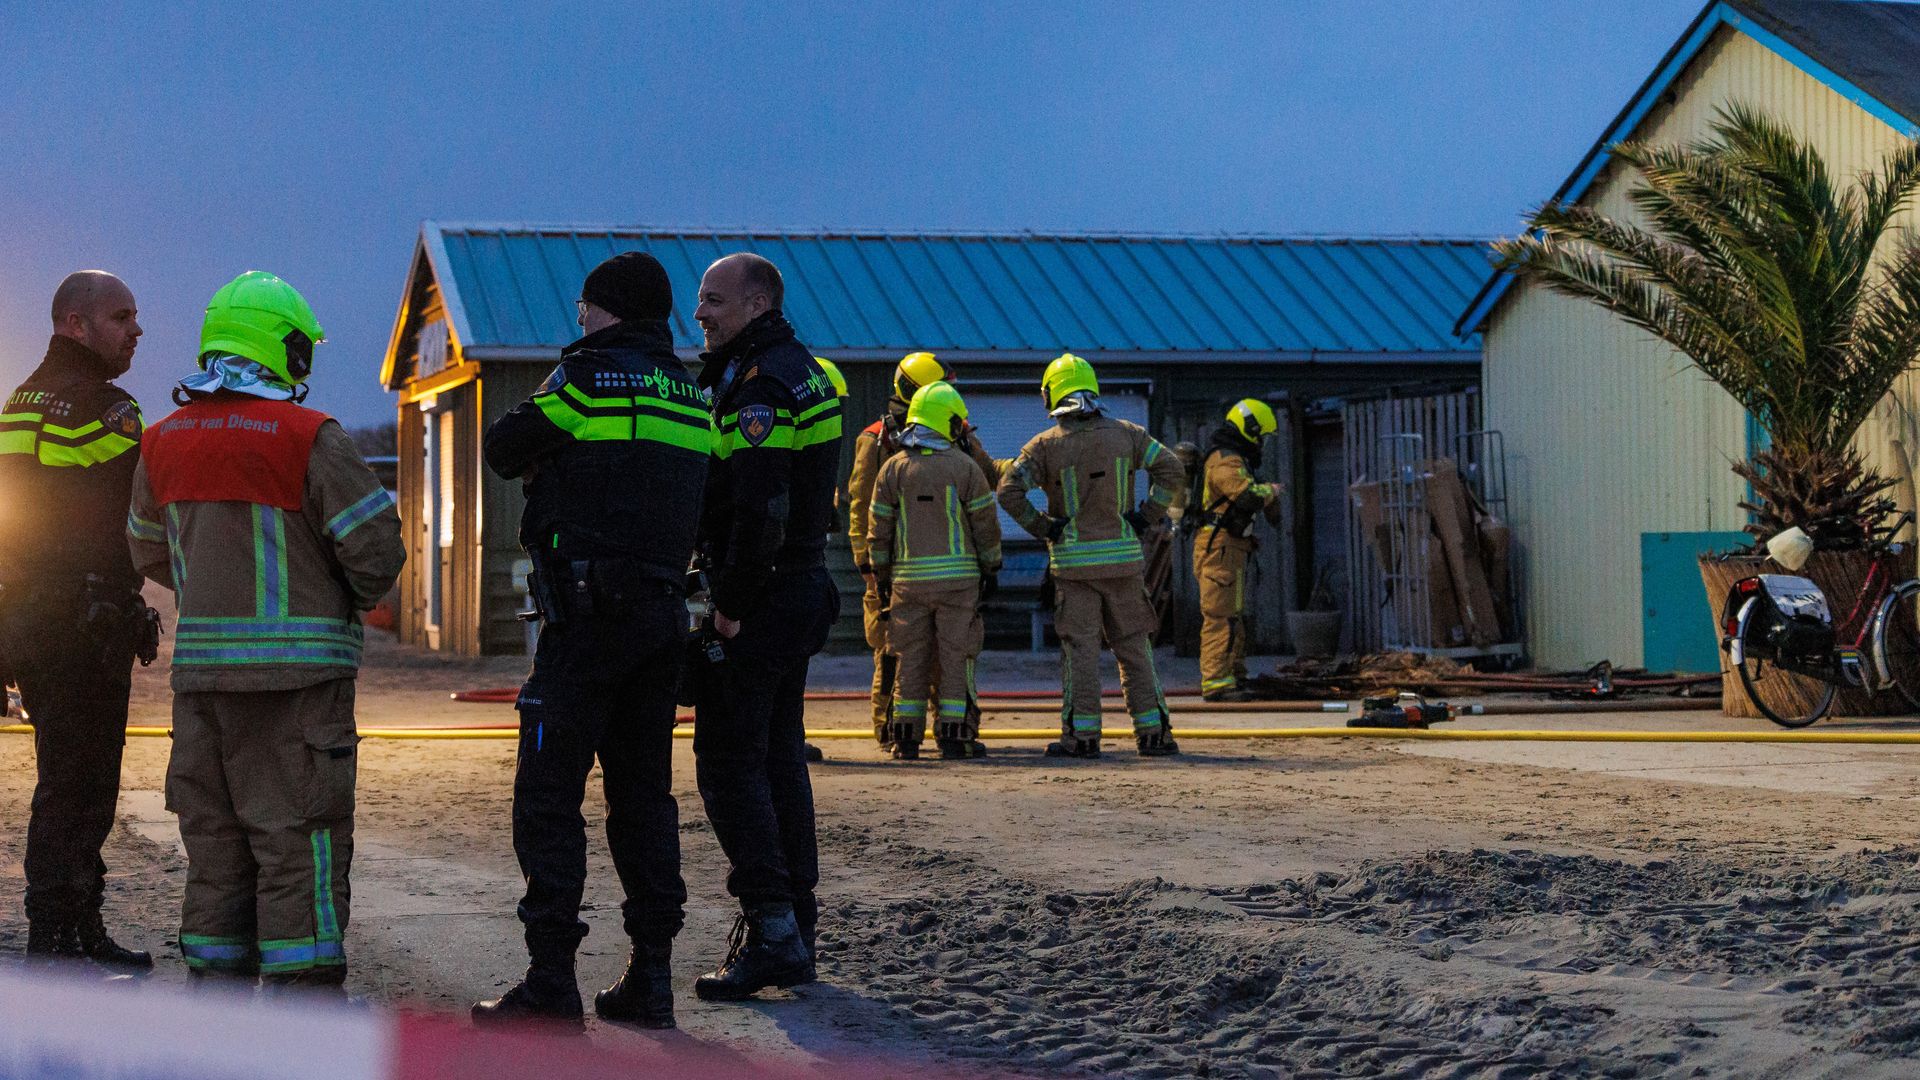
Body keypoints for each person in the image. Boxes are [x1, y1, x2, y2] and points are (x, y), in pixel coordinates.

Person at [127, 271, 404, 991]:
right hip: (298, 691)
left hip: (202, 689)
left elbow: (145, 547)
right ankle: (302, 999)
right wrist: (333, 601)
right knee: (297, 844)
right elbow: (375, 552)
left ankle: (215, 1001)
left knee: (215, 847)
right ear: (283, 348)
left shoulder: (160, 440)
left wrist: (212, 591)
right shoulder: (310, 437)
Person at [471, 252, 709, 1031]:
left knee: (547, 797)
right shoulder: (690, 392)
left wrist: (555, 459)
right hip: (661, 620)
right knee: (643, 798)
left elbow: (503, 448)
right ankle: (652, 978)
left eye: (582, 307)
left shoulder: (584, 378)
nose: (575, 318)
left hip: (584, 619)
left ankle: (550, 982)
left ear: (604, 307)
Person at [688, 252, 842, 1001]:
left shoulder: (763, 385)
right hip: (800, 589)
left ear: (755, 302)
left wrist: (731, 605)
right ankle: (794, 929)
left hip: (766, 594)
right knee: (778, 760)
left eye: (713, 299)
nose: (700, 313)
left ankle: (774, 930)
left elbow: (760, 506)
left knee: (726, 762)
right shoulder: (798, 368)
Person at [0, 271, 154, 970]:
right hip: (83, 623)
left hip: (24, 616)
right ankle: (59, 939)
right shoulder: (110, 410)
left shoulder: (18, 402)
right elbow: (125, 524)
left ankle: (73, 927)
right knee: (81, 782)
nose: (136, 330)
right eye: (122, 317)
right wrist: (126, 598)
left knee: (62, 776)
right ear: (75, 324)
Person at [998, 353, 1185, 759]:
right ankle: (1154, 734)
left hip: (1074, 568)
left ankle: (1082, 738)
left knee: (1080, 652)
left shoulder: (1045, 447)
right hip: (1123, 564)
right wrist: (1147, 516)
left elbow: (1008, 492)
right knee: (1135, 647)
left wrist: (1044, 526)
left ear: (1052, 394)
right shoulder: (1128, 434)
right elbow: (1172, 470)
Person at [846, 352, 1000, 748]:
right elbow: (862, 505)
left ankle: (912, 732)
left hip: (903, 572)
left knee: (923, 652)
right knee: (893, 651)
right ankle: (893, 729)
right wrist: (869, 567)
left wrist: (1029, 467)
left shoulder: (952, 438)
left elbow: (988, 473)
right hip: (903, 571)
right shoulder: (877, 439)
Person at [1192, 400, 1284, 702]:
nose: (1262, 443)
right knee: (1220, 615)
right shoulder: (1225, 460)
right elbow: (1244, 495)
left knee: (1234, 615)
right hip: (1219, 548)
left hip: (1230, 547)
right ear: (1251, 430)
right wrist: (1270, 491)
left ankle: (1233, 674)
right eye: (1261, 436)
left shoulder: (1236, 458)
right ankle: (1217, 682)